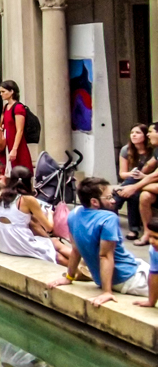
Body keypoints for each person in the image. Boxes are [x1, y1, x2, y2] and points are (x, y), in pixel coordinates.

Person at [49, 177, 148, 305]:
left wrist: (69, 277)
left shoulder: (74, 214)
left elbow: (75, 249)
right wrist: (107, 292)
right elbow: (105, 256)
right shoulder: (108, 219)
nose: (113, 200)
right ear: (94, 202)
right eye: (108, 198)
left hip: (114, 275)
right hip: (129, 279)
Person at [0, 166, 69, 265]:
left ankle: (82, 268)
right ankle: (82, 269)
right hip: (18, 243)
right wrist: (50, 214)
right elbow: (49, 228)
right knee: (55, 250)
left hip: (3, 243)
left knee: (53, 244)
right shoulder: (27, 199)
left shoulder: (1, 195)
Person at [118, 122, 156, 241]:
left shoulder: (153, 150)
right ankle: (143, 232)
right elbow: (123, 173)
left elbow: (152, 176)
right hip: (141, 181)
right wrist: (136, 175)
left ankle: (115, 198)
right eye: (132, 133)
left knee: (133, 191)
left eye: (138, 133)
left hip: (151, 183)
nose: (133, 135)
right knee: (137, 194)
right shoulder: (126, 150)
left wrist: (136, 184)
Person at [0, 80, 33, 175]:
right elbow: (4, 124)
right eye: (0, 92)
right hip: (6, 143)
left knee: (18, 171)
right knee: (3, 171)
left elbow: (20, 130)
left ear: (12, 91)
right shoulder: (5, 107)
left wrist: (15, 149)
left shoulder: (18, 107)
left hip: (16, 144)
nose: (1, 94)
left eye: (3, 91)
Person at [134, 217, 158, 308]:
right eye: (150, 236)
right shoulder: (154, 250)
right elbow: (154, 275)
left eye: (156, 238)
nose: (151, 241)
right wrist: (151, 301)